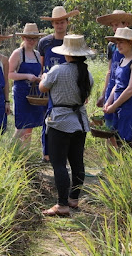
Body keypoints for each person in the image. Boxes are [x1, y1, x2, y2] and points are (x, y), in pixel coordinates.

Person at [39, 34, 94, 216]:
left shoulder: (57, 70)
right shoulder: (87, 73)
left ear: (67, 54)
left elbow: (43, 87)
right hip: (80, 122)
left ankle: (62, 205)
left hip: (60, 121)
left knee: (59, 164)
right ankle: (73, 198)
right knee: (77, 162)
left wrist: (44, 77)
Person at [96, 10, 132, 144]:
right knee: (113, 132)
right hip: (115, 96)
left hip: (129, 98)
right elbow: (112, 75)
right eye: (112, 25)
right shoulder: (116, 53)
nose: (114, 28)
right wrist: (107, 98)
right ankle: (112, 163)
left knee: (131, 136)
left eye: (117, 25)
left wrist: (129, 77)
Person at [38, 6, 80, 161]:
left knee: (67, 121)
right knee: (47, 120)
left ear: (67, 22)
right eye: (56, 22)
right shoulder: (44, 42)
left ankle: (65, 155)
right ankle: (46, 154)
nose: (59, 25)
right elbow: (41, 66)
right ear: (52, 24)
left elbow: (79, 67)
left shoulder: (73, 42)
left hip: (68, 89)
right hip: (48, 85)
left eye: (62, 22)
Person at [103, 27, 132, 146]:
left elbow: (131, 89)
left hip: (129, 105)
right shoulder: (122, 61)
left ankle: (128, 164)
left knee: (127, 141)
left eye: (121, 42)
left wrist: (114, 105)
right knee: (117, 138)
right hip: (118, 104)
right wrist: (109, 102)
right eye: (117, 42)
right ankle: (119, 164)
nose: (118, 45)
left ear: (130, 43)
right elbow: (116, 84)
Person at [9, 23, 47, 143]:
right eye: (29, 38)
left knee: (30, 126)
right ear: (23, 38)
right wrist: (26, 76)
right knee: (21, 126)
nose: (32, 41)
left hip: (34, 95)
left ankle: (25, 154)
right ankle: (9, 151)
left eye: (34, 38)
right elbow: (9, 74)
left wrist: (40, 77)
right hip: (21, 93)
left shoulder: (37, 54)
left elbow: (40, 71)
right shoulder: (18, 53)